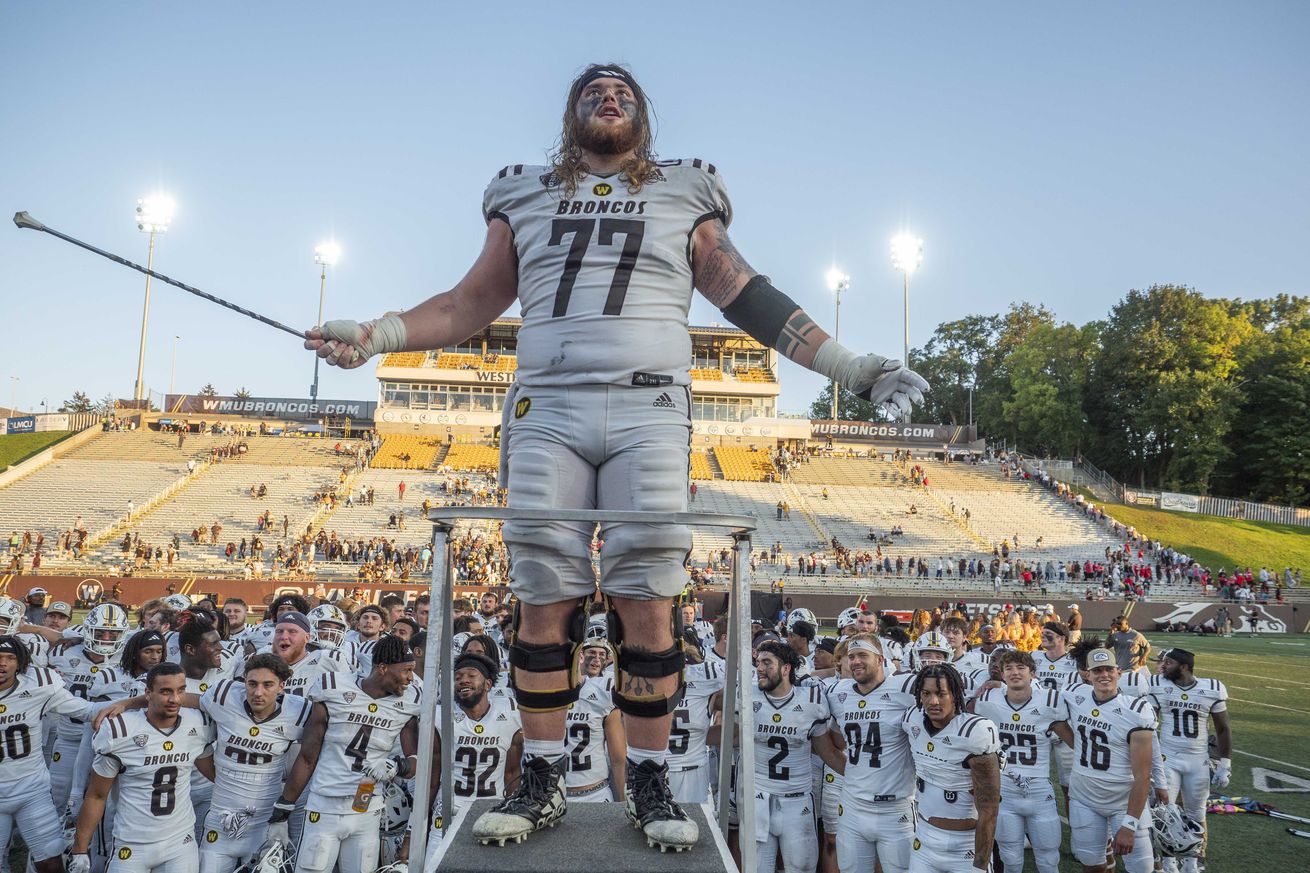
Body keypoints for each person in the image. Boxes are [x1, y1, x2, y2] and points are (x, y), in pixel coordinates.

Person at [306, 61, 927, 853]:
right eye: (594, 90)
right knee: (542, 590)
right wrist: (378, 335)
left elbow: (745, 292)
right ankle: (541, 777)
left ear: (644, 116)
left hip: (649, 405)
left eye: (624, 91)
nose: (610, 96)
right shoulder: (523, 193)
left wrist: (852, 367)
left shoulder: (683, 189)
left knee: (648, 593)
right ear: (570, 114)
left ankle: (651, 777)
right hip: (547, 403)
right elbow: (469, 301)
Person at [268, 635, 421, 873]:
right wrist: (284, 806)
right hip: (324, 804)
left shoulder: (410, 700)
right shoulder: (333, 687)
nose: (411, 678)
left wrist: (397, 766)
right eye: (406, 670)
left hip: (367, 809)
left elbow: (418, 762)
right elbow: (308, 755)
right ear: (382, 668)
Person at [70, 663, 215, 873]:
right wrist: (80, 849)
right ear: (148, 693)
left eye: (181, 690)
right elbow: (97, 796)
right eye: (165, 691)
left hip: (180, 842)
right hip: (132, 843)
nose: (175, 699)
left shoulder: (197, 724)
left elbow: (215, 774)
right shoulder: (120, 730)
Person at [197, 654, 310, 873]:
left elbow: (314, 753)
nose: (258, 692)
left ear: (281, 686)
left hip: (265, 823)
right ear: (244, 682)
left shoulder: (299, 711)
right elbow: (183, 702)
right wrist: (130, 703)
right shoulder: (224, 696)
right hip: (220, 820)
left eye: (268, 685)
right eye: (252, 684)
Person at [971, 649, 1072, 873]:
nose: (1015, 672)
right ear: (1002, 674)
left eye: (1021, 668)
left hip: (1039, 789)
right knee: (1010, 858)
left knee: (1049, 859)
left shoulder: (1050, 701)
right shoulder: (988, 700)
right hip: (1005, 789)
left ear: (1032, 673)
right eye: (1009, 668)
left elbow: (1074, 741)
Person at [747, 640, 843, 873]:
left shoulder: (810, 700)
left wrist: (864, 778)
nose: (759, 668)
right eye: (758, 662)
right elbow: (731, 734)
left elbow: (829, 753)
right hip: (758, 799)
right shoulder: (749, 695)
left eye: (767, 662)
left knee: (801, 867)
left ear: (786, 668)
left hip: (797, 803)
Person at [0, 635, 93, 873]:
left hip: (32, 790)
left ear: (19, 663)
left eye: (10, 658)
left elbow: (87, 710)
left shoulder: (38, 684)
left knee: (51, 861)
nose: (3, 663)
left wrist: (131, 703)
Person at [825, 635, 917, 873]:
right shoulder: (838, 693)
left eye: (862, 655)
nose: (856, 661)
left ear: (880, 659)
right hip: (853, 805)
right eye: (851, 656)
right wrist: (853, 771)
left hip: (895, 807)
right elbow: (835, 741)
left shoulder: (904, 687)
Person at [423, 651, 524, 861]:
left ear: (488, 684)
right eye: (458, 677)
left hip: (492, 808)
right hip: (450, 807)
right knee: (435, 863)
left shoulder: (510, 715)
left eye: (471, 675)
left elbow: (512, 773)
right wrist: (416, 827)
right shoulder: (442, 716)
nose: (463, 680)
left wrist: (513, 813)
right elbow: (432, 778)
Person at [1062, 648, 1156, 873]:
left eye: (1109, 670)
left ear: (1119, 672)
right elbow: (1039, 700)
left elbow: (1143, 775)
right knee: (1092, 864)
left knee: (1142, 868)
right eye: (1097, 671)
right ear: (1088, 675)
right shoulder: (1073, 694)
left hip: (1123, 800)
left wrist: (1130, 824)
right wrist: (997, 684)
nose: (1104, 675)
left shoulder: (1136, 710)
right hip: (1083, 797)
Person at [902, 664, 1001, 873]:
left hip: (965, 846)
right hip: (924, 840)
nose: (933, 701)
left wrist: (979, 866)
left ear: (955, 695)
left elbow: (989, 810)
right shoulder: (912, 719)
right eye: (926, 693)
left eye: (941, 694)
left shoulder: (975, 731)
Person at [1149, 649, 1231, 873]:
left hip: (1198, 760)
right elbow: (1148, 723)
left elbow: (1223, 729)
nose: (1163, 666)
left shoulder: (1211, 688)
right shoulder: (1157, 684)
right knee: (1165, 812)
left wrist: (1225, 764)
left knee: (1197, 813)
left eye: (1168, 662)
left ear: (1183, 667)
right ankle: (1168, 862)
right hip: (1168, 758)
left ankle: (1192, 862)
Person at [564, 637, 626, 802]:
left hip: (595, 793)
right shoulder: (547, 695)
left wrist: (622, 802)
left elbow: (618, 758)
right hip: (555, 794)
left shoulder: (603, 691)